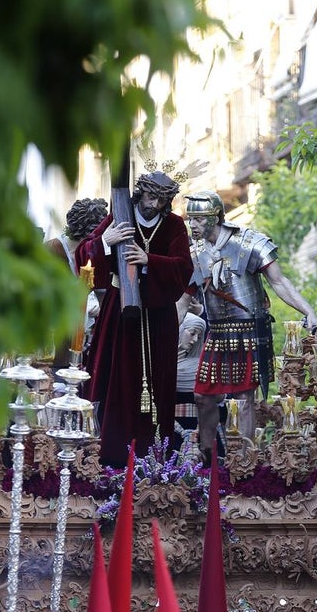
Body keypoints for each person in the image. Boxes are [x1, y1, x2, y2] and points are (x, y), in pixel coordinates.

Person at [182, 190, 317, 465]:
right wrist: (165, 336)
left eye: (198, 219)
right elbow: (184, 299)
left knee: (244, 398)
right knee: (203, 395)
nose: (193, 225)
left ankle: (244, 461)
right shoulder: (194, 254)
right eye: (191, 219)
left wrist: (308, 311)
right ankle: (207, 461)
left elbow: (278, 282)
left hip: (247, 331)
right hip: (218, 332)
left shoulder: (248, 242)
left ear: (215, 217)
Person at [75, 171, 193, 465]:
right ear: (140, 192)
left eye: (162, 199)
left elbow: (184, 268)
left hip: (158, 318)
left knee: (158, 384)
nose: (154, 204)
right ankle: (112, 455)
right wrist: (105, 240)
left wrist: (149, 261)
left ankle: (153, 457)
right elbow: (83, 256)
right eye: (151, 196)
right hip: (120, 315)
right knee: (117, 380)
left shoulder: (175, 225)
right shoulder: (121, 213)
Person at [44, 198, 108, 367]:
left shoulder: (94, 255)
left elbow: (103, 293)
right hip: (52, 339)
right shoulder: (52, 251)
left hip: (81, 340)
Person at [173, 310, 207, 453]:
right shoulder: (161, 364)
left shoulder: (202, 367)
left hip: (197, 432)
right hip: (170, 433)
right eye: (192, 333)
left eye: (199, 336)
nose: (195, 340)